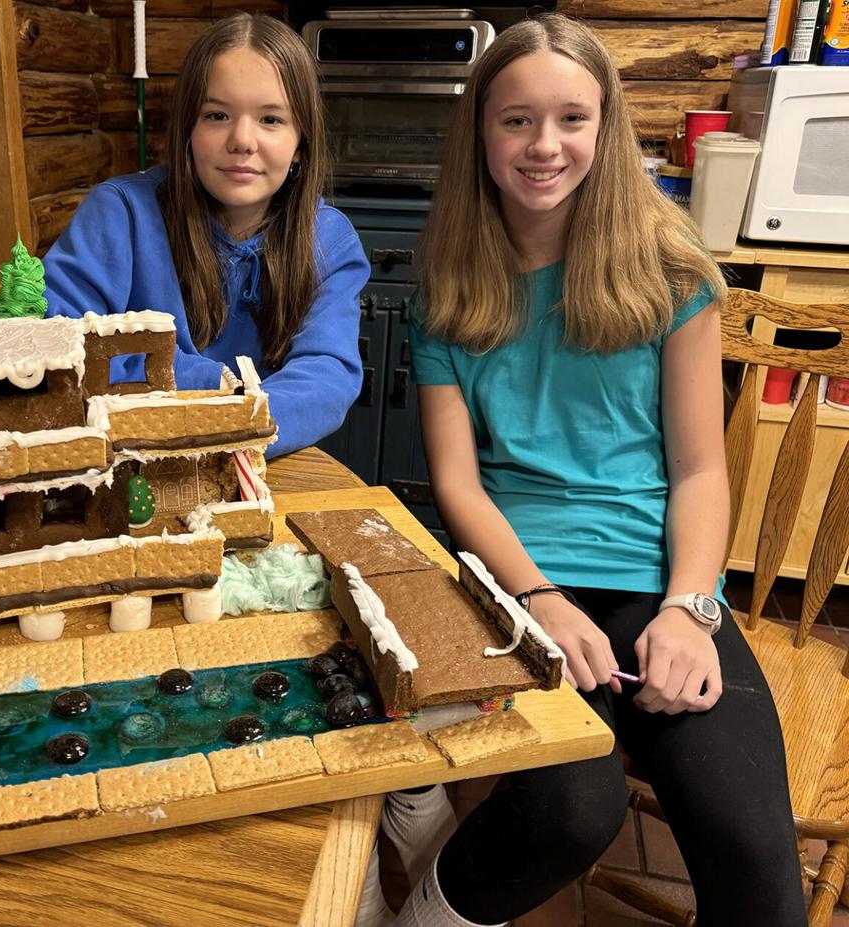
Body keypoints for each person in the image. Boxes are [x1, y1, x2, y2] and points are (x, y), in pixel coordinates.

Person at [369, 14, 806, 927]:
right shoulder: (451, 288)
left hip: (659, 582)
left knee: (755, 853)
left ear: (604, 130)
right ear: (481, 134)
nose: (544, 145)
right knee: (572, 810)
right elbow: (457, 483)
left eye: (571, 118)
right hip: (519, 580)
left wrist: (691, 608)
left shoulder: (670, 272)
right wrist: (538, 599)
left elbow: (698, 472)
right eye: (516, 120)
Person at [39, 13, 369, 459]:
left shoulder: (330, 240)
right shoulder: (119, 213)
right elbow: (65, 344)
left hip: (262, 462)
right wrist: (216, 387)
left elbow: (326, 376)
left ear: (301, 144)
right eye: (217, 115)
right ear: (187, 131)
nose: (242, 140)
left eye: (271, 119)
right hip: (128, 460)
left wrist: (230, 421)